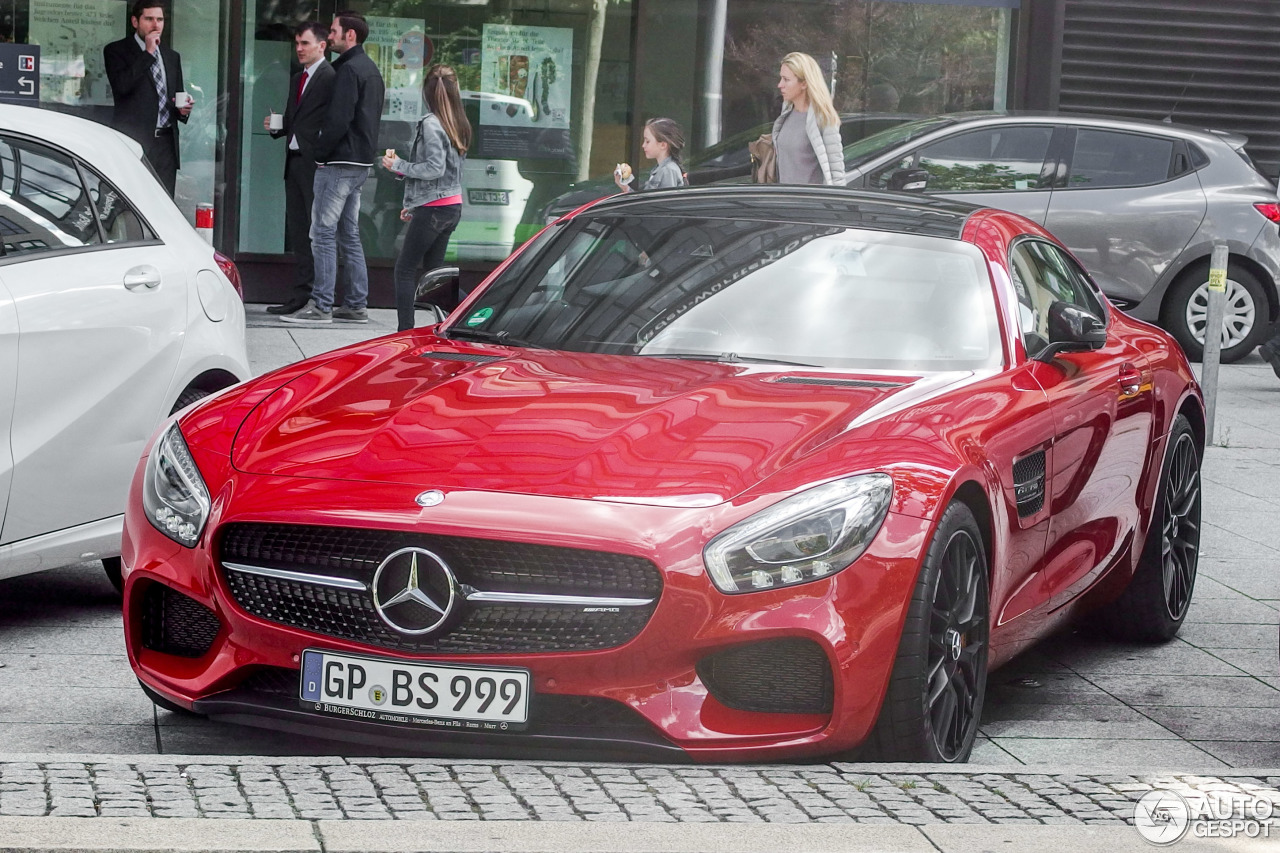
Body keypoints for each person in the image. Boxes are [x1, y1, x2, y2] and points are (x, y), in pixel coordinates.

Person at [282, 10, 384, 326]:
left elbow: (339, 119)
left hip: (339, 162)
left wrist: (321, 154)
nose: (332, 34)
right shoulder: (368, 69)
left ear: (349, 35)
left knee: (323, 233)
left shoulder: (349, 71)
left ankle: (321, 305)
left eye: (335, 30)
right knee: (348, 234)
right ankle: (355, 304)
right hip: (360, 162)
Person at [382, 64, 471, 333]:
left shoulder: (431, 124)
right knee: (435, 274)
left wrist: (399, 165)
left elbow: (434, 168)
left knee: (405, 270)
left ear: (426, 92)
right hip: (450, 206)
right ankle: (468, 319)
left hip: (434, 208)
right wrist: (413, 204)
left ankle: (405, 332)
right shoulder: (459, 122)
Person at [262, 22, 335, 316]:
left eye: (305, 43)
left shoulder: (330, 78)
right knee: (298, 229)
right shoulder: (298, 78)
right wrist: (278, 127)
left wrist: (319, 152)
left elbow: (333, 122)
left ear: (322, 45)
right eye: (297, 44)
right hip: (294, 162)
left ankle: (318, 296)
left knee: (316, 232)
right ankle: (300, 294)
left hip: (314, 164)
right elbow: (298, 119)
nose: (300, 49)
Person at [103, 1, 192, 197]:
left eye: (159, 19)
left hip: (166, 144)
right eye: (149, 19)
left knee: (163, 203)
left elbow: (175, 96)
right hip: (134, 141)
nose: (155, 25)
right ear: (135, 21)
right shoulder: (116, 51)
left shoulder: (171, 56)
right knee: (131, 201)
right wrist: (149, 53)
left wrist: (183, 110)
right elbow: (122, 87)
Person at [772, 52, 844, 187]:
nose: (780, 85)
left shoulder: (823, 119)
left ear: (804, 83)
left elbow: (837, 173)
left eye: (786, 79)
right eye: (781, 78)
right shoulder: (786, 113)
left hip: (809, 203)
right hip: (783, 201)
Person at [613, 118, 687, 193]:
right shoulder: (661, 169)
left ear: (663, 145)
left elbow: (663, 203)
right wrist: (625, 188)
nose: (643, 145)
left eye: (647, 141)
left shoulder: (668, 170)